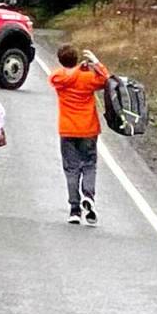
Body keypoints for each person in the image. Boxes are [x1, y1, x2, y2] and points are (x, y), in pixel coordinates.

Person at [49, 44, 109, 226]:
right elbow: (106, 80)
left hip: (67, 129)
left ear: (60, 60)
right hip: (88, 129)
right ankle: (88, 196)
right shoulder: (88, 78)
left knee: (71, 169)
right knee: (89, 165)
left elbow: (57, 77)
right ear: (76, 59)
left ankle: (74, 209)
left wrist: (76, 70)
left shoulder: (59, 78)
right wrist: (95, 62)